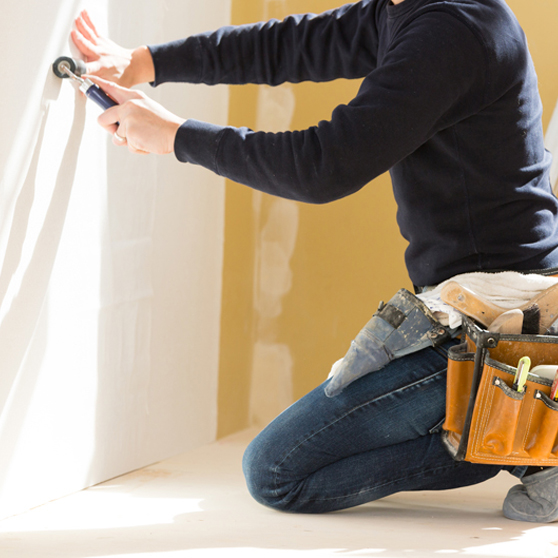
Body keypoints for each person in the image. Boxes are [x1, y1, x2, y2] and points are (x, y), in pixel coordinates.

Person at [72, 0, 558, 522]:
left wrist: (175, 135)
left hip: (500, 317)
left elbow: (323, 166)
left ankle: (519, 430)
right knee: (278, 469)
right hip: (462, 302)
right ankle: (510, 426)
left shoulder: (456, 29)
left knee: (278, 474)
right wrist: (144, 62)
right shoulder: (403, 11)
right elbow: (292, 44)